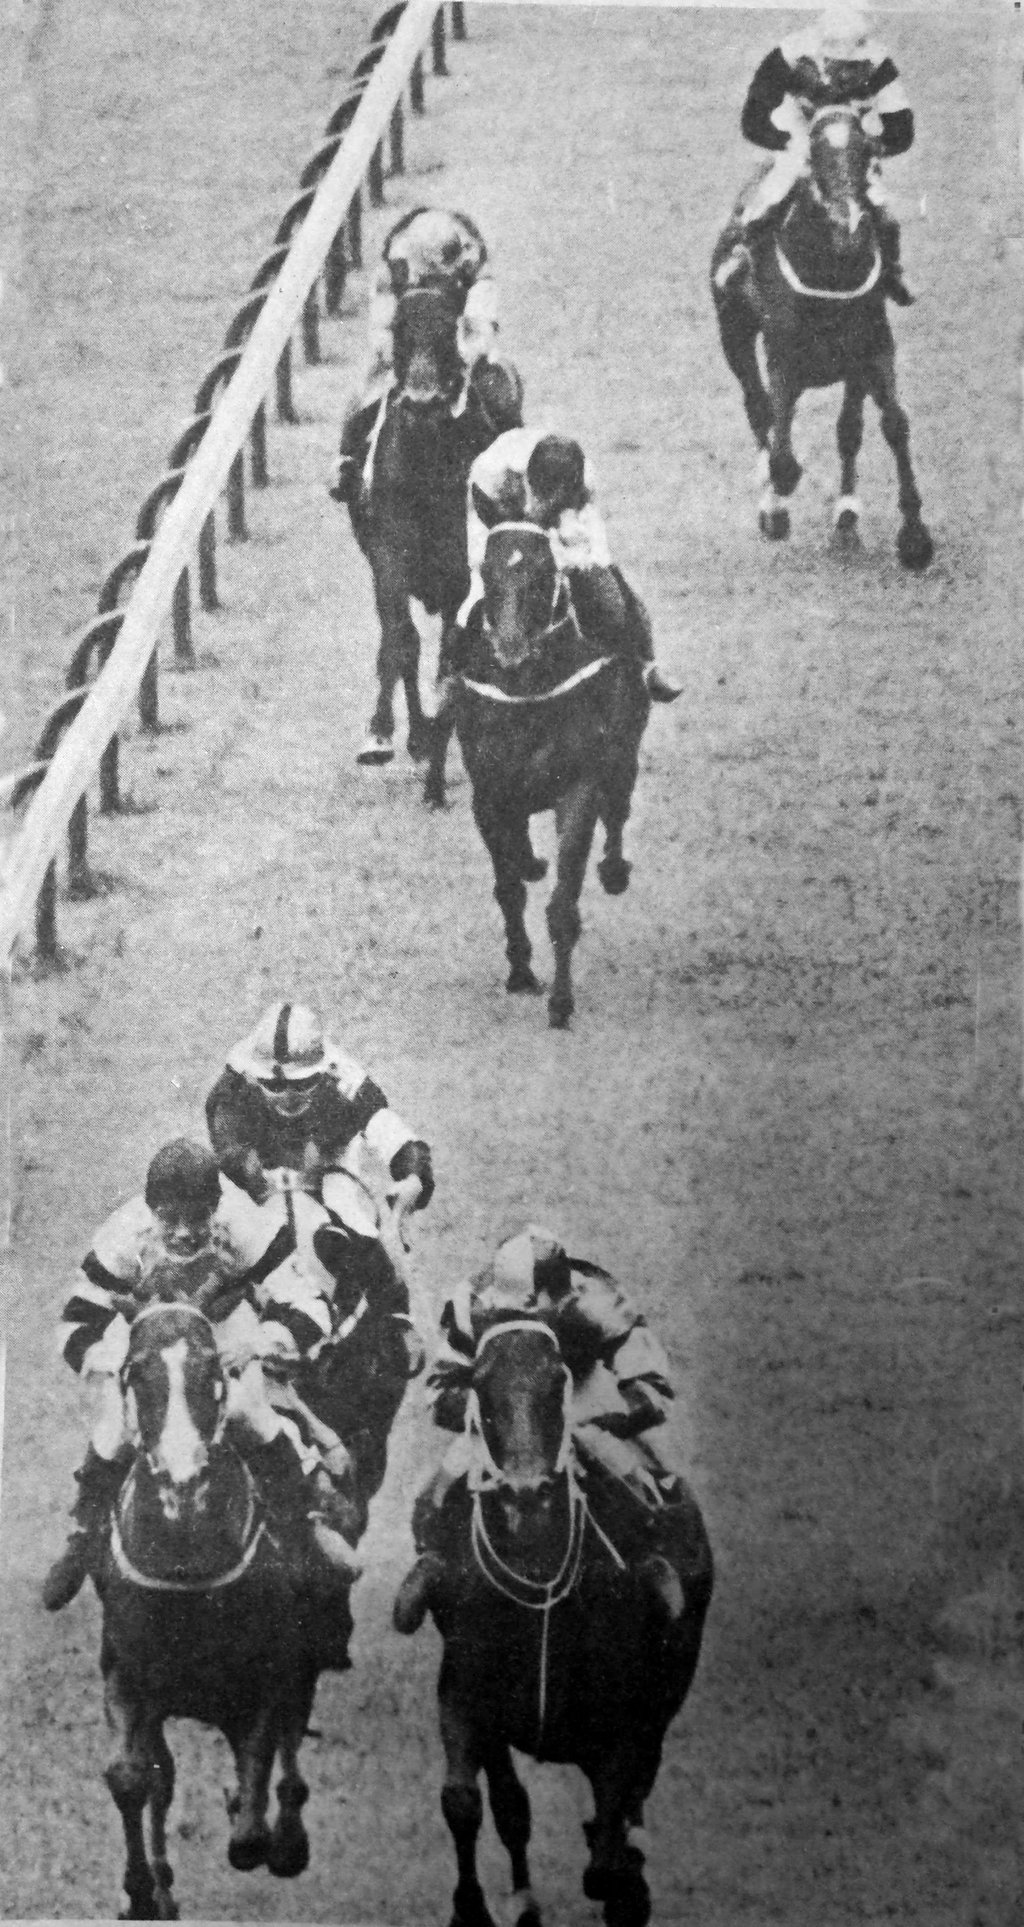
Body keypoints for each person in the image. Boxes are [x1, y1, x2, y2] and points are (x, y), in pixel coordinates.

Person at [42, 1140, 362, 1615]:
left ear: (217, 1205)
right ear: (150, 1209)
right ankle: (84, 1536)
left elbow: (309, 1304)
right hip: (149, 1337)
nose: (184, 1232)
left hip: (222, 1331)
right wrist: (109, 1360)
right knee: (117, 1427)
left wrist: (259, 1342)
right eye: (170, 1218)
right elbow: (76, 1320)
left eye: (198, 1217)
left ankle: (301, 1528)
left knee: (251, 1413)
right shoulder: (123, 1234)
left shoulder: (248, 1224)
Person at [392, 1223, 691, 1633]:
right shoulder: (472, 1302)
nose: (524, 1314)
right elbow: (441, 1386)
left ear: (559, 1293)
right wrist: (483, 1407)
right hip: (502, 1401)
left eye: (536, 1305)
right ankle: (432, 1559)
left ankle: (649, 1555)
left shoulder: (594, 1298)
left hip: (578, 1392)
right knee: (447, 1473)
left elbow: (648, 1375)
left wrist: (624, 1411)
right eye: (510, 1310)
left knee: (636, 1461)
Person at [449, 427, 680, 703]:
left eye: (555, 500)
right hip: (492, 506)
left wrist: (570, 556)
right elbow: (486, 533)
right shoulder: (494, 475)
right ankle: (450, 677)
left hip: (567, 515)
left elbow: (590, 551)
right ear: (529, 482)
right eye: (542, 495)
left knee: (609, 580)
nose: (544, 505)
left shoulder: (584, 483)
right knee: (477, 592)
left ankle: (648, 665)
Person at [714, 4, 915, 305]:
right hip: (798, 124)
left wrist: (871, 147)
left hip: (849, 131)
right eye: (836, 61)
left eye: (852, 63)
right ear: (820, 47)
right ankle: (741, 252)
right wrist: (785, 141)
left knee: (881, 202)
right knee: (781, 180)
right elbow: (753, 118)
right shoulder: (789, 55)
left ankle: (892, 269)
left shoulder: (879, 63)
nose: (844, 71)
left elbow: (901, 128)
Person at [328, 205, 504, 508]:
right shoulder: (392, 269)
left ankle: (515, 465)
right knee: (364, 389)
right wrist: (392, 353)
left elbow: (480, 330)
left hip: (457, 351)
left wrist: (464, 356)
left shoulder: (474, 269)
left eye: (440, 274)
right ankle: (346, 461)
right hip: (406, 352)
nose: (430, 278)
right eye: (424, 272)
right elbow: (381, 327)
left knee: (500, 389)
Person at [206, 998, 434, 1228]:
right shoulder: (233, 1085)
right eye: (274, 1086)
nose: (288, 1097)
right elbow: (231, 1155)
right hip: (258, 1164)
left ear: (324, 1071)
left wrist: (413, 1176)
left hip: (328, 1160)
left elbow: (392, 1134)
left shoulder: (346, 1078)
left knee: (353, 1227)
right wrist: (253, 1178)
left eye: (302, 1083)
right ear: (253, 1076)